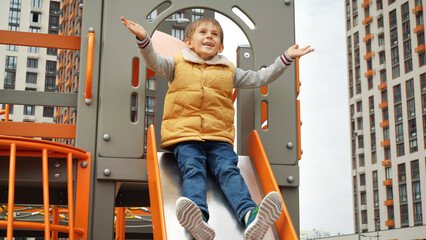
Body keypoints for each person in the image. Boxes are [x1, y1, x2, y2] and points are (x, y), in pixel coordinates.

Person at [121, 16, 313, 240]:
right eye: (202, 32)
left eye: (214, 34)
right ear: (189, 42)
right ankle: (198, 219)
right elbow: (153, 60)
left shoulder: (228, 71)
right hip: (186, 135)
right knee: (193, 168)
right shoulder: (176, 64)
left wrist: (286, 58)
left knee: (229, 170)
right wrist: (143, 39)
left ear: (221, 46)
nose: (209, 36)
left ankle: (251, 217)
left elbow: (260, 77)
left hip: (219, 137)